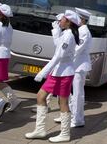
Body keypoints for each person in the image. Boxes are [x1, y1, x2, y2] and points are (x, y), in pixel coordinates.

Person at [26, 10, 80, 142]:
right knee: (41, 96)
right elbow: (58, 46)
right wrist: (56, 31)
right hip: (58, 72)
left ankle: (65, 134)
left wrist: (43, 72)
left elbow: (58, 56)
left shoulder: (68, 36)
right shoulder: (66, 33)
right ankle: (40, 130)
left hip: (64, 73)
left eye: (61, 19)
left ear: (68, 22)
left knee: (63, 102)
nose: (59, 21)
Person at [68, 7, 92, 128]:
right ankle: (72, 114)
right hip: (75, 65)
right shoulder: (80, 30)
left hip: (80, 65)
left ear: (82, 19)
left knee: (78, 94)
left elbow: (77, 49)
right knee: (71, 92)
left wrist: (66, 56)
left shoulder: (84, 32)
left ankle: (77, 119)